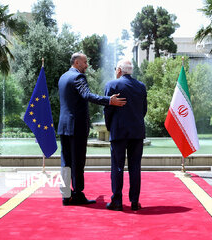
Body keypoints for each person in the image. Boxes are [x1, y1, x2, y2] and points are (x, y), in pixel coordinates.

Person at [58, 52, 126, 206]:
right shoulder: (78, 77)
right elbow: (87, 95)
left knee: (66, 161)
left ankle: (65, 195)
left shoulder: (63, 77)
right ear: (76, 62)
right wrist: (109, 100)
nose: (87, 65)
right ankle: (77, 194)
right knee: (78, 161)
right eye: (85, 62)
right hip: (76, 126)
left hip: (64, 125)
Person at [104, 59, 147, 211]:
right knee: (135, 167)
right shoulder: (141, 86)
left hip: (119, 132)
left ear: (120, 70)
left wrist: (110, 127)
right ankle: (134, 201)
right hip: (137, 132)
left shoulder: (112, 85)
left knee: (117, 167)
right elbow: (143, 110)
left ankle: (117, 201)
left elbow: (107, 110)